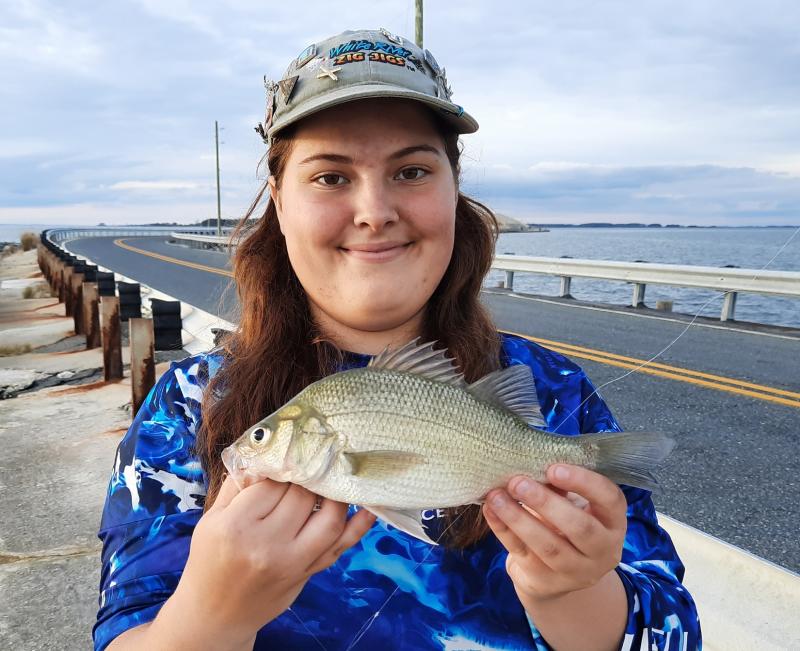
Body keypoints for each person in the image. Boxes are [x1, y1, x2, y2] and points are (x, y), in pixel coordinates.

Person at [94, 28, 701, 651]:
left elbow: (673, 633)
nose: (374, 211)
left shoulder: (556, 393)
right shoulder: (189, 407)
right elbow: (126, 627)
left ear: (453, 190)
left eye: (411, 171)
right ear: (279, 200)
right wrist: (210, 615)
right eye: (330, 177)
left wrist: (573, 591)